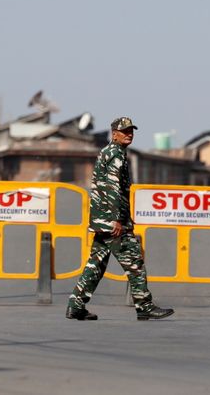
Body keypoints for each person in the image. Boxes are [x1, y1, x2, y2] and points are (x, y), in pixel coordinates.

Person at [67, 116, 174, 321]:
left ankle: (76, 305)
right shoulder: (116, 154)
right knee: (134, 262)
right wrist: (116, 219)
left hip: (102, 219)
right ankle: (144, 305)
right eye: (125, 131)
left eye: (131, 131)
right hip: (113, 221)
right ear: (114, 134)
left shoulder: (108, 152)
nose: (129, 134)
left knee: (95, 264)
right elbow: (113, 187)